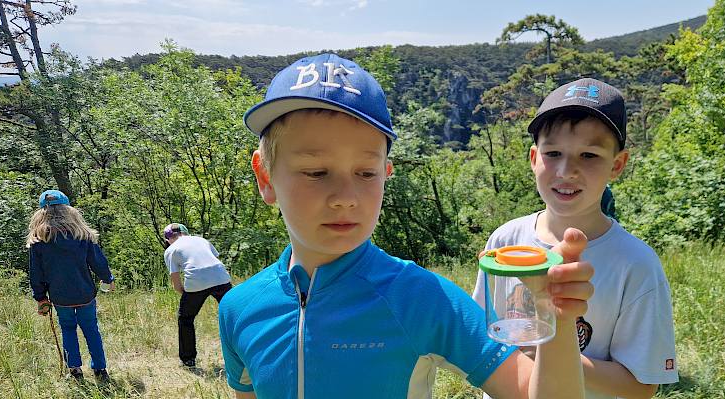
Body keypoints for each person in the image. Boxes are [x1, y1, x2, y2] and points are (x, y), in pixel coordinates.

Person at [217, 53, 594, 399]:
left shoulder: (422, 298)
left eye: (366, 172)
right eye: (316, 172)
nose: (346, 196)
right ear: (265, 177)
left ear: (386, 175)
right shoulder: (239, 308)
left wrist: (558, 323)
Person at [472, 78, 679, 399]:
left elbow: (641, 385)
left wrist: (551, 349)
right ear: (533, 158)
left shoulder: (636, 264)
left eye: (589, 155)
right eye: (553, 152)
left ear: (617, 165)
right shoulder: (505, 241)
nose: (567, 170)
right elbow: (483, 338)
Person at [27, 189, 115, 382]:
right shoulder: (82, 235)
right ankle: (100, 369)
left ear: (42, 212)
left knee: (67, 329)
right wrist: (108, 279)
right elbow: (98, 262)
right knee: (91, 328)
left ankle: (75, 370)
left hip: (60, 296)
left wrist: (41, 297)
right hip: (84, 293)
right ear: (68, 209)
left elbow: (36, 272)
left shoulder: (39, 240)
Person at [162, 222, 232, 368]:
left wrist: (189, 294)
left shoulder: (170, 250)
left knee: (185, 319)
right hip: (222, 278)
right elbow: (214, 260)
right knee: (234, 315)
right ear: (185, 232)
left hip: (196, 281)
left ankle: (188, 360)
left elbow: (176, 284)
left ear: (168, 239)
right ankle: (243, 354)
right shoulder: (202, 240)